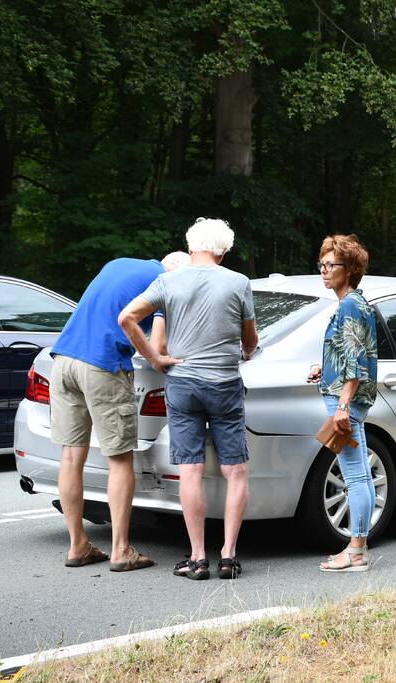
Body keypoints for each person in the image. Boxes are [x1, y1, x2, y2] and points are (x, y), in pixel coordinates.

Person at [118, 218, 258, 581]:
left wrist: (153, 358)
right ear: (224, 250)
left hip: (181, 384)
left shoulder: (167, 281)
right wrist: (243, 351)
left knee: (190, 471)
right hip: (225, 384)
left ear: (191, 244)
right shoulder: (238, 283)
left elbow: (127, 317)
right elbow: (250, 342)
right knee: (236, 471)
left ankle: (197, 557)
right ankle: (228, 555)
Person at [50, 251, 191, 571]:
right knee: (119, 458)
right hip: (102, 365)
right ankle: (121, 549)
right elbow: (159, 345)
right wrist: (157, 359)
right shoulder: (167, 283)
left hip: (63, 360)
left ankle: (77, 546)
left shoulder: (118, 264)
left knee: (71, 455)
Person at [307, 234, 378, 572]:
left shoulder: (350, 304)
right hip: (345, 394)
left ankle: (357, 550)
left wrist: (342, 407)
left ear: (348, 270)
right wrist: (325, 364)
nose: (324, 270)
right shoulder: (357, 302)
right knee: (359, 472)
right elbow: (351, 350)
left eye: (330, 265)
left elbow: (356, 361)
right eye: (321, 264)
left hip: (345, 399)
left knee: (355, 475)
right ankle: (357, 547)